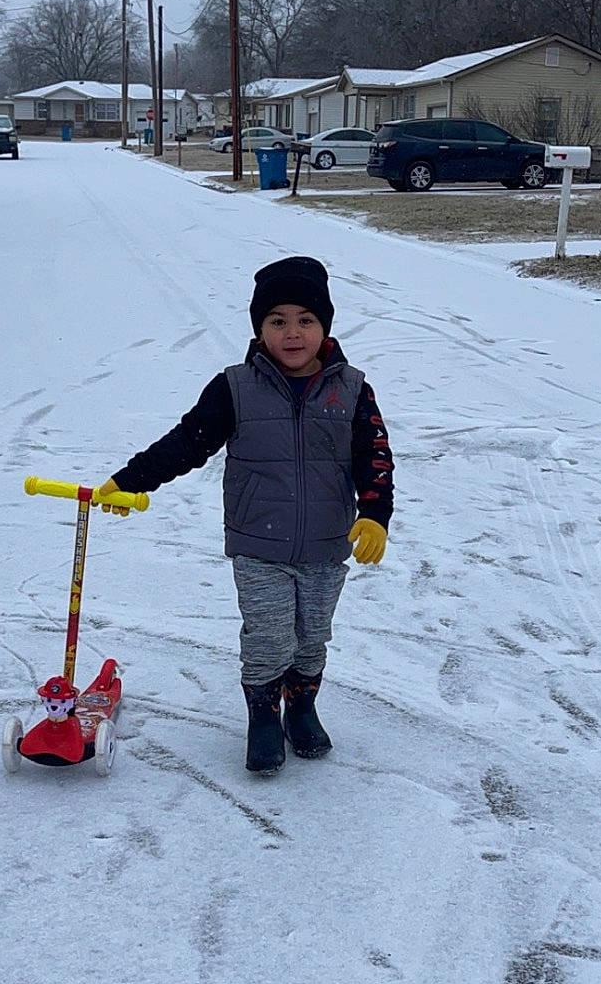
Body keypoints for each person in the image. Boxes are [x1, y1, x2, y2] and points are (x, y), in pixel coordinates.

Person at [99, 254, 394, 775]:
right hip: (260, 544)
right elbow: (187, 442)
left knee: (312, 634)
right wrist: (130, 480)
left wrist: (374, 515)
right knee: (267, 634)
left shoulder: (351, 389)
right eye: (277, 321)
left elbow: (374, 458)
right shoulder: (235, 388)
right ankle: (263, 714)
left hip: (328, 545)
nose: (292, 333)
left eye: (305, 320)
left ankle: (301, 707)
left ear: (324, 325)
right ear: (259, 328)